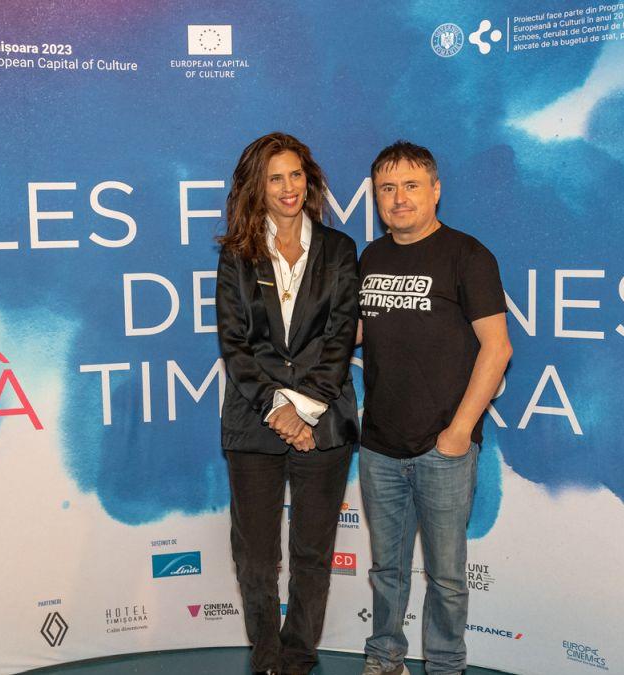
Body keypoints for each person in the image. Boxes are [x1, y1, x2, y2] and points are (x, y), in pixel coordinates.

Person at [357, 141, 513, 675]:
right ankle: (385, 658)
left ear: (435, 190)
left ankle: (445, 666)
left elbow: (497, 348)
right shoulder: (371, 257)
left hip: (443, 449)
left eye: (411, 185)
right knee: (386, 571)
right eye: (387, 188)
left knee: (445, 577)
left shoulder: (468, 256)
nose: (399, 198)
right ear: (377, 196)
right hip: (379, 446)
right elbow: (360, 330)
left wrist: (460, 431)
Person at [216, 132, 361, 675]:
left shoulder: (339, 249)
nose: (287, 187)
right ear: (257, 187)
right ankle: (267, 658)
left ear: (310, 180)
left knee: (312, 554)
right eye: (274, 177)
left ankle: (298, 658)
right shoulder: (237, 255)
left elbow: (340, 339)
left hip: (323, 420)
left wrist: (304, 410)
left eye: (295, 174)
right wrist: (278, 409)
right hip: (255, 420)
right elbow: (235, 344)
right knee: (255, 556)